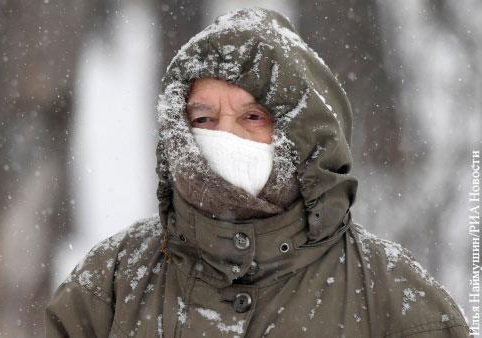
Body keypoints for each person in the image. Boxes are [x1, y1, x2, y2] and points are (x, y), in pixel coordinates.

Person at [45, 7, 470, 337]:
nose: (224, 136)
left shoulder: (392, 293)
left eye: (252, 118)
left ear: (301, 136)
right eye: (204, 119)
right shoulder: (114, 280)